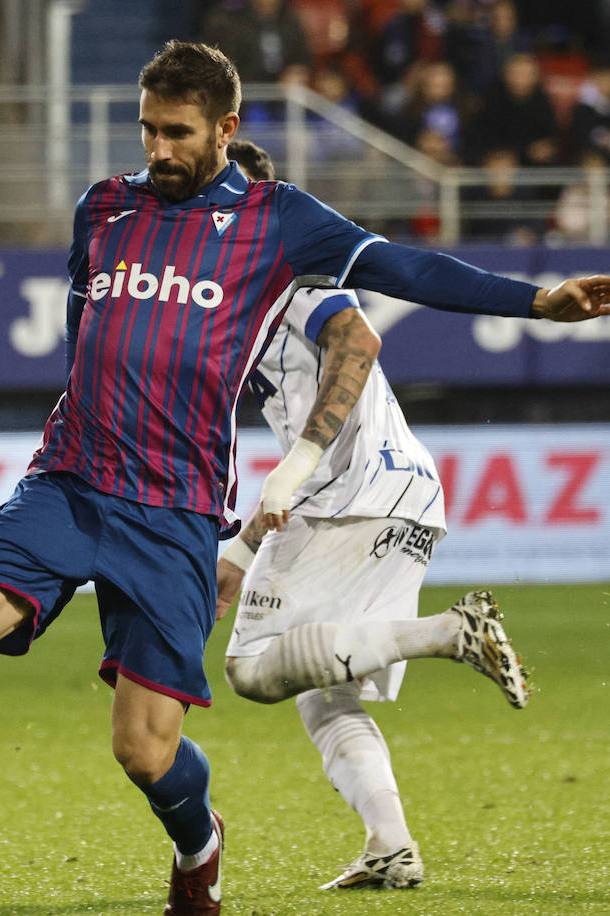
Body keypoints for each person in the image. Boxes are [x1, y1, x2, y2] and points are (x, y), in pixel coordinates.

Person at [0, 41, 610, 915]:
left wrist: (537, 300)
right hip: (72, 480)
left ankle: (200, 844)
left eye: (177, 132)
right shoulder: (105, 208)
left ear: (225, 129)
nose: (157, 150)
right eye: (147, 130)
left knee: (145, 749)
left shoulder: (280, 222)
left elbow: (406, 268)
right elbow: (82, 328)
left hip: (173, 512)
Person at [220, 137, 542, 890]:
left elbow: (357, 338)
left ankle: (448, 633)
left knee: (249, 668)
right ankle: (390, 847)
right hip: (401, 493)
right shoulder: (246, 307)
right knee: (323, 693)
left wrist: (296, 471)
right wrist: (239, 549)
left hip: (350, 498)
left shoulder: (295, 290)